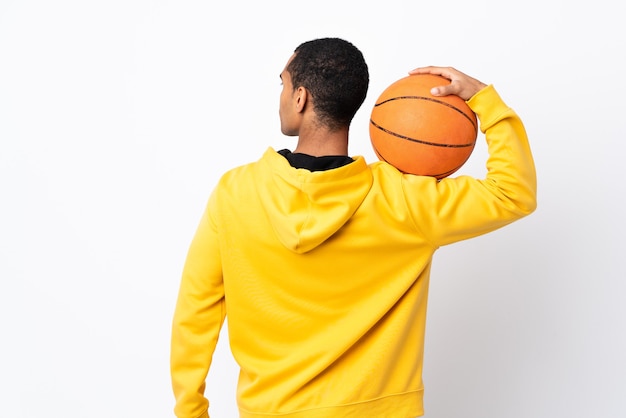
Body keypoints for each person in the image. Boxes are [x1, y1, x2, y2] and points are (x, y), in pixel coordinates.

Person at [170, 37, 537, 418]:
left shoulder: (235, 194)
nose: (280, 95)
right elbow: (513, 193)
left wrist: (191, 410)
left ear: (301, 98)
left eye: (282, 83)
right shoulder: (405, 201)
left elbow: (196, 313)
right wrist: (483, 99)